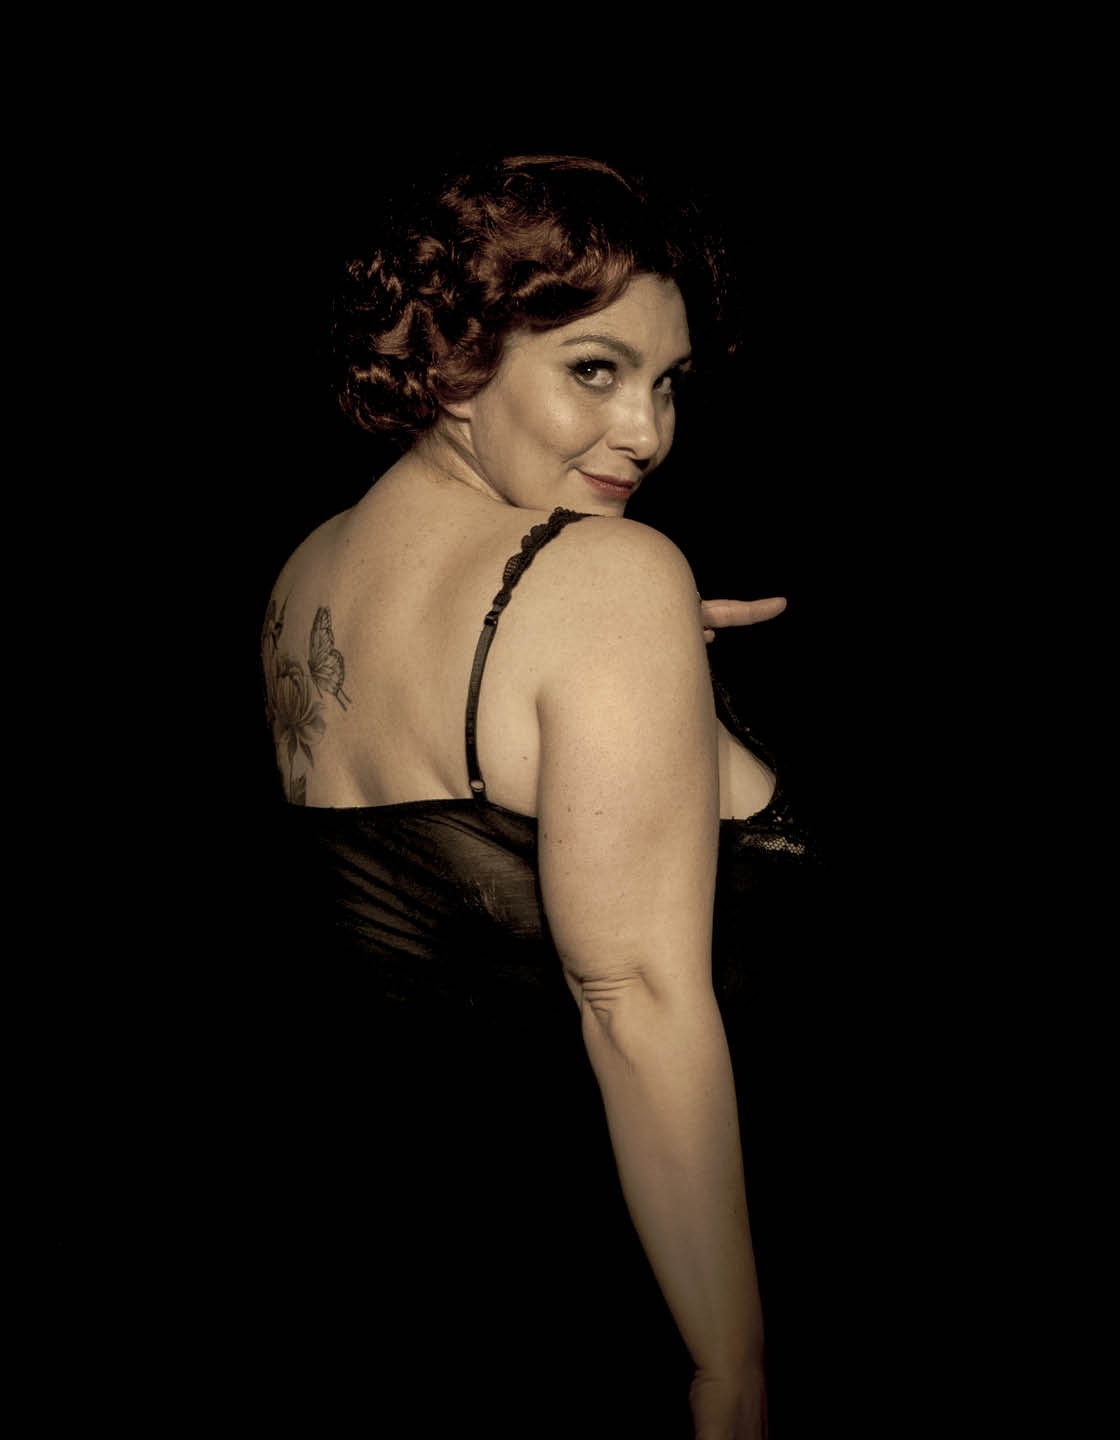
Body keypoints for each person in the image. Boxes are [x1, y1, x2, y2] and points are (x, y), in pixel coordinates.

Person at [260, 155, 816, 1437]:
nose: (648, 432)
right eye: (595, 370)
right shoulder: (607, 578)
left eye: (668, 383)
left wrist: (654, 676)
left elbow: (439, 917)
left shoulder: (305, 575)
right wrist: (728, 1366)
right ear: (454, 362)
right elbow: (632, 1002)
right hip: (652, 1296)